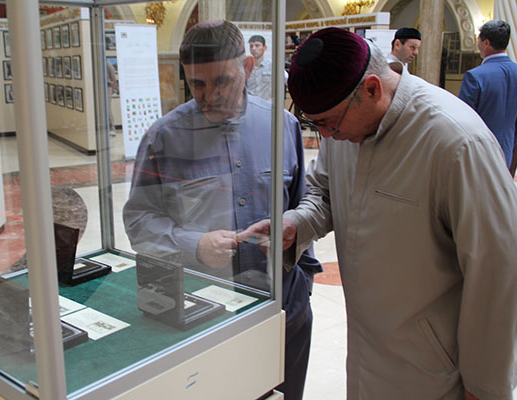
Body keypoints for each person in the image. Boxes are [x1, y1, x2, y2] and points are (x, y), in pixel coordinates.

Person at [242, 27, 517, 399]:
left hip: (433, 376)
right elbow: (324, 191)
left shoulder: (456, 143)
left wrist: (485, 388)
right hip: (366, 357)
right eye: (317, 125)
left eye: (329, 123)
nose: (328, 136)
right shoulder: (345, 125)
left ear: (371, 89)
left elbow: (499, 273)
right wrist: (297, 223)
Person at [123, 20, 321, 400]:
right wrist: (193, 245)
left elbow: (303, 205)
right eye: (197, 83)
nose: (209, 95)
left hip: (285, 311)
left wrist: (300, 267)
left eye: (222, 81)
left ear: (247, 67)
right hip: (204, 319)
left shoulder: (283, 125)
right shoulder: (163, 137)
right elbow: (139, 219)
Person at [459, 20, 517, 175]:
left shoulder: (475, 76)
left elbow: (462, 121)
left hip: (480, 154)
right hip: (508, 152)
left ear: (486, 43)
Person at [247, 34, 272, 100]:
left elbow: (287, 81)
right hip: (250, 104)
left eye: (257, 45)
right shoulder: (246, 67)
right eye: (251, 46)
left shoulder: (273, 67)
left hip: (267, 104)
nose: (254, 48)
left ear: (264, 48)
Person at [106, 59, 117, 133]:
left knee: (107, 108)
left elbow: (113, 78)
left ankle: (112, 128)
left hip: (108, 88)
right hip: (101, 88)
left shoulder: (108, 64)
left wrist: (113, 89)